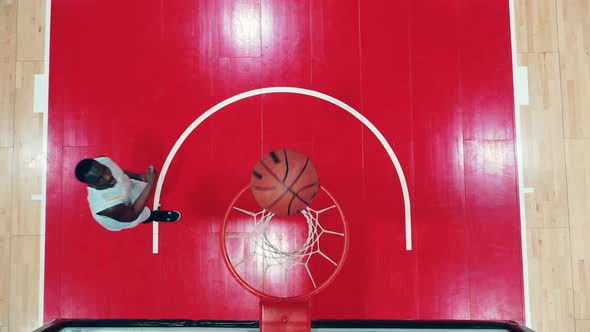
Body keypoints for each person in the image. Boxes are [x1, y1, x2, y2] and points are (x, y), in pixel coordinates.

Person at [74, 156, 180, 231]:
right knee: (143, 214)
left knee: (143, 193)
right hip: (123, 212)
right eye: (100, 179)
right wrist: (150, 184)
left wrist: (139, 177)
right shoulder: (106, 206)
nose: (108, 176)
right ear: (90, 184)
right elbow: (132, 214)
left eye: (105, 170)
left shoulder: (103, 161)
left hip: (127, 189)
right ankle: (154, 216)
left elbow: (119, 172)